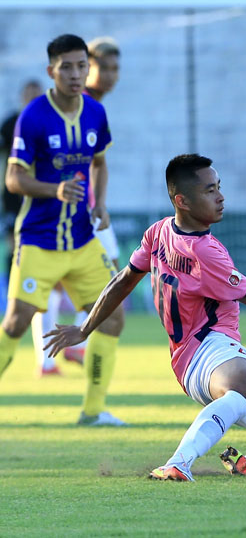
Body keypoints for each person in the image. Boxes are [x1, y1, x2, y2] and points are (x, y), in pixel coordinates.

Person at [44, 153, 246, 481]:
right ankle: (179, 462)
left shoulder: (157, 233)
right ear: (182, 200)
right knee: (244, 386)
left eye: (219, 187)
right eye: (210, 190)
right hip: (209, 348)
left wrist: (85, 329)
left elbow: (123, 280)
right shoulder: (204, 252)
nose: (221, 197)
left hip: (197, 361)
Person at [0, 34, 125, 425]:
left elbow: (100, 163)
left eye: (80, 66)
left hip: (82, 239)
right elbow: (13, 179)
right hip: (39, 240)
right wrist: (53, 188)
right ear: (51, 70)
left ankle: (93, 410)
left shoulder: (95, 114)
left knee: (113, 317)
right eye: (66, 66)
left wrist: (100, 203)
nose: (75, 74)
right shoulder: (34, 116)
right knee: (17, 323)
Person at [31, 37, 123, 375]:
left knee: (110, 280)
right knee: (109, 280)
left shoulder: (94, 107)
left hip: (90, 209)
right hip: (68, 210)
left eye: (116, 69)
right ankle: (58, 354)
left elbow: (97, 163)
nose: (112, 76)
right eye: (104, 68)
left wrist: (100, 202)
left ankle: (62, 353)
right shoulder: (74, 102)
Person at [1, 80, 42, 281]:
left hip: (42, 192)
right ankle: (11, 290)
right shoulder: (11, 124)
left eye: (37, 93)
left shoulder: (48, 122)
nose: (33, 96)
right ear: (22, 96)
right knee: (14, 244)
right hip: (14, 194)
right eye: (29, 93)